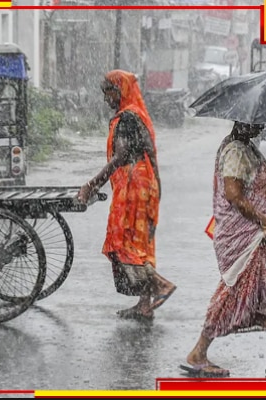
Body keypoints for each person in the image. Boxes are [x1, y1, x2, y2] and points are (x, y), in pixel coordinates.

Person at [181, 121, 266, 378]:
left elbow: (250, 185)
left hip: (258, 237)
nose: (261, 127)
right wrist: (261, 218)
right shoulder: (235, 150)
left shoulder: (246, 148)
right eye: (256, 123)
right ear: (242, 121)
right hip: (244, 237)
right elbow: (234, 193)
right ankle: (198, 353)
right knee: (234, 292)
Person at [77, 69, 176, 321]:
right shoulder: (139, 116)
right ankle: (144, 304)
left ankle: (160, 286)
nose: (105, 99)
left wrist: (92, 185)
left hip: (134, 185)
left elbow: (120, 157)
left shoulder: (127, 119)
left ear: (119, 91)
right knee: (140, 243)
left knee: (122, 242)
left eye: (108, 92)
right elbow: (152, 157)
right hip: (146, 184)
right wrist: (158, 190)